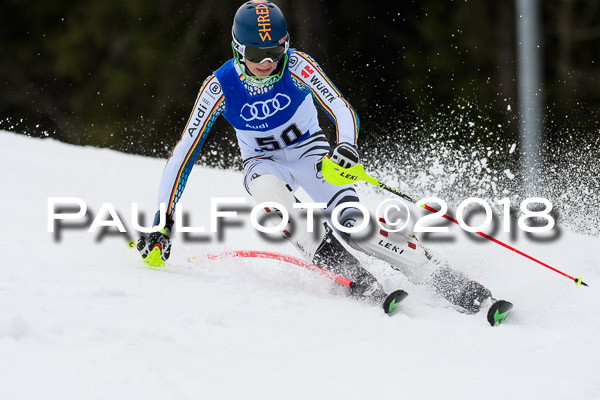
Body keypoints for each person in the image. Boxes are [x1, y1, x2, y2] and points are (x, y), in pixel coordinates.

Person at [136, 0, 494, 313]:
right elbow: (184, 152)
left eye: (274, 53)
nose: (266, 63)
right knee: (277, 206)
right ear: (237, 49)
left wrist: (346, 147)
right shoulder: (219, 86)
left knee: (355, 226)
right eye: (255, 55)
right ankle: (352, 276)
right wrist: (161, 222)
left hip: (312, 155)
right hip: (263, 164)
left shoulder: (297, 66)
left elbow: (340, 108)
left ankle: (444, 278)